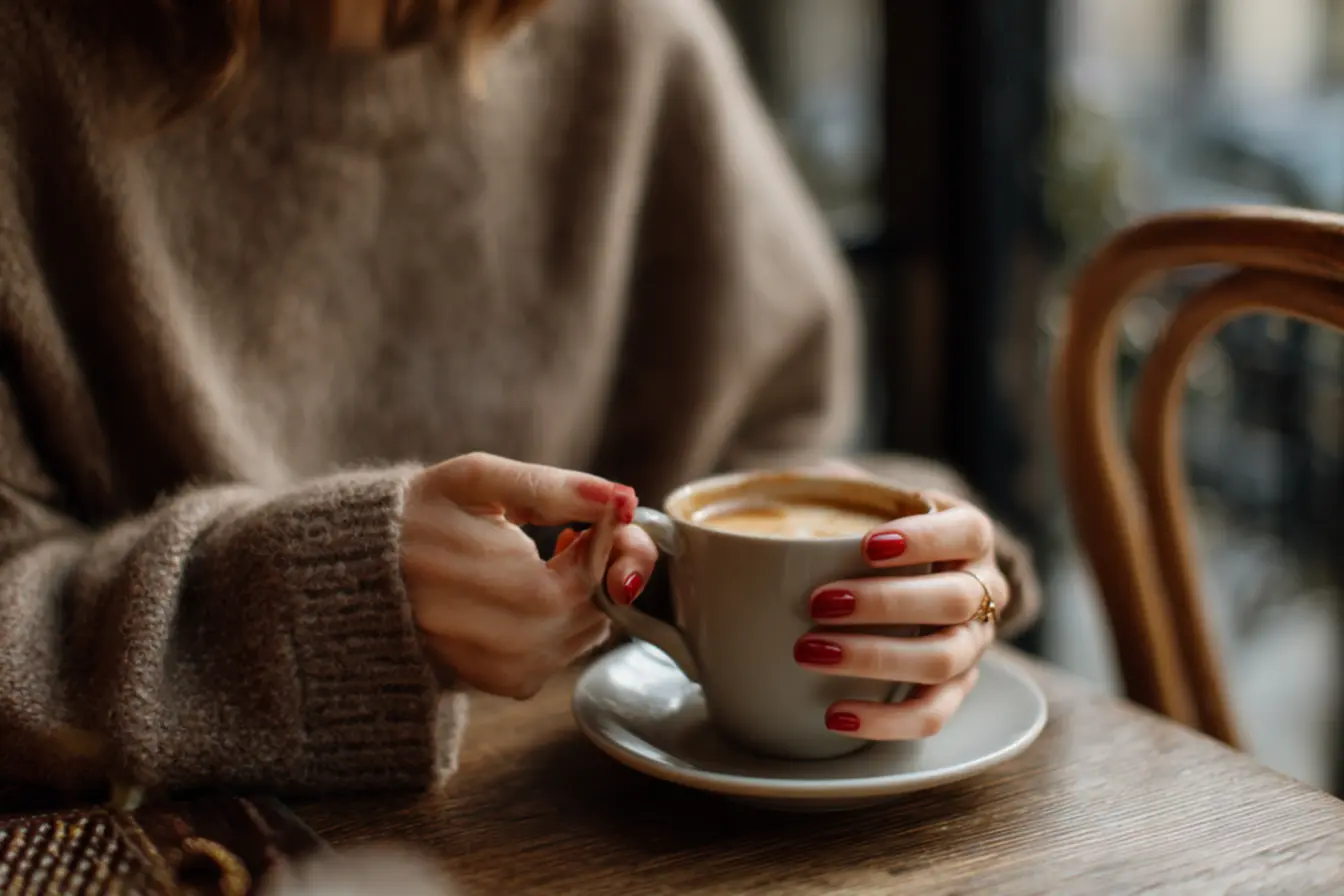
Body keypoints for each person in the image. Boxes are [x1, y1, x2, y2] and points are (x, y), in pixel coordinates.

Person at [0, 0, 1039, 803]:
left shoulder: (633, 41)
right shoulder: (31, 59)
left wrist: (940, 579)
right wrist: (319, 603)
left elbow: (785, 462)